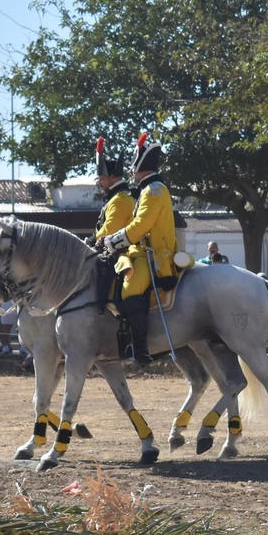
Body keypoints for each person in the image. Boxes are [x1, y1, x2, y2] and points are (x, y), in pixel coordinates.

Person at [99, 132, 177, 367]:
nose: (131, 171)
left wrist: (113, 240)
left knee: (129, 288)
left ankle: (140, 349)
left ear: (141, 166)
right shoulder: (147, 189)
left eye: (134, 167)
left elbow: (141, 225)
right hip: (140, 251)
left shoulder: (153, 190)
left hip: (152, 255)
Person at [90, 138, 135, 318]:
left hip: (122, 248)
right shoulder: (114, 198)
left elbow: (110, 229)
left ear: (113, 177)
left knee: (103, 266)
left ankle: (105, 305)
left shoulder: (121, 199)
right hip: (111, 245)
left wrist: (92, 239)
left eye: (102, 178)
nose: (99, 182)